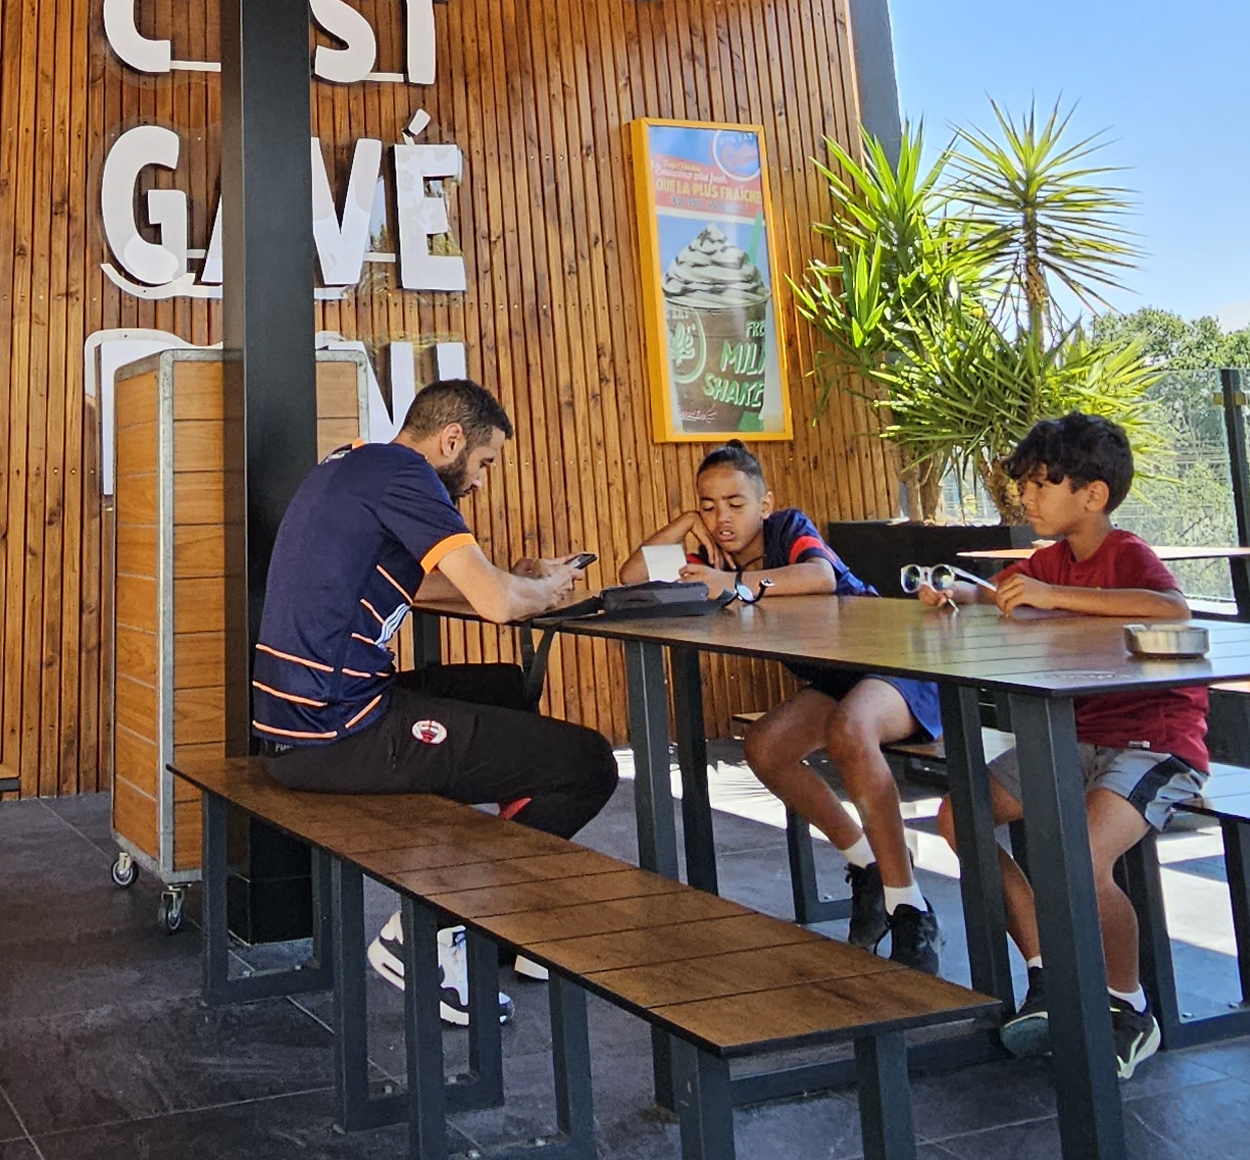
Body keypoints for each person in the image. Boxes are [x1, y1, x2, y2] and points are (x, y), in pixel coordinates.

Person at [253, 378, 616, 1025]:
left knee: (505, 690)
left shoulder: (352, 464)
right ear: (451, 440)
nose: (479, 481)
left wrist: (510, 577)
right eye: (483, 462)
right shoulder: (408, 477)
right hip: (338, 734)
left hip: (298, 722)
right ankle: (433, 927)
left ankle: (499, 913)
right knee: (587, 764)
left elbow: (424, 590)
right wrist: (548, 589)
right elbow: (497, 605)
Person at [966, 412, 1204, 1075]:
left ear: (1092, 494)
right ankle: (1048, 974)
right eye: (1025, 485)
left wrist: (1052, 595)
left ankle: (1128, 1007)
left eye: (1041, 484)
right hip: (1076, 736)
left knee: (1079, 856)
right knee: (962, 816)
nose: (1026, 497)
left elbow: (1173, 610)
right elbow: (1005, 595)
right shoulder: (1050, 561)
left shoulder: (1127, 554)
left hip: (1153, 742)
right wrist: (956, 594)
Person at [672, 444, 943, 969]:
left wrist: (731, 586)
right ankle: (867, 864)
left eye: (735, 503)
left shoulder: (788, 528)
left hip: (896, 663)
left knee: (849, 730)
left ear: (765, 504)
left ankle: (909, 905)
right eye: (707, 506)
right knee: (765, 746)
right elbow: (635, 575)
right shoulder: (712, 556)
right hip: (839, 681)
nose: (721, 517)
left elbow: (820, 577)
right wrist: (684, 525)